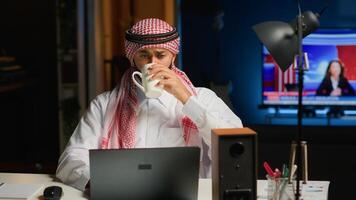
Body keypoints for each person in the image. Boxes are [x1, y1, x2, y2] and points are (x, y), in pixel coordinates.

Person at [56, 18, 243, 191]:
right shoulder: (104, 105)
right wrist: (102, 183)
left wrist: (186, 99)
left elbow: (234, 146)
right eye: (144, 55)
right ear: (132, 57)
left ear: (173, 56)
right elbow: (70, 160)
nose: (152, 63)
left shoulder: (203, 98)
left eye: (160, 55)